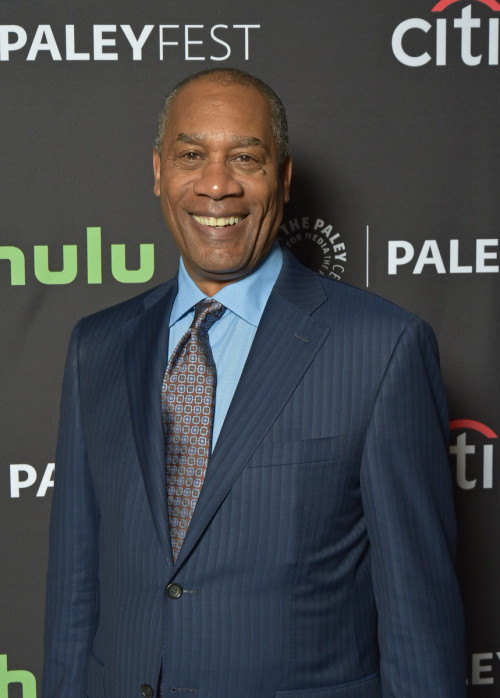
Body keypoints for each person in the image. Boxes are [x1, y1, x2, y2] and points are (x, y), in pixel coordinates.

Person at [42, 68, 465, 698]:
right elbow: (75, 603)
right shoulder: (96, 347)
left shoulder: (383, 348)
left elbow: (419, 629)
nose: (217, 185)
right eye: (192, 156)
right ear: (159, 171)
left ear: (284, 178)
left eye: (245, 157)